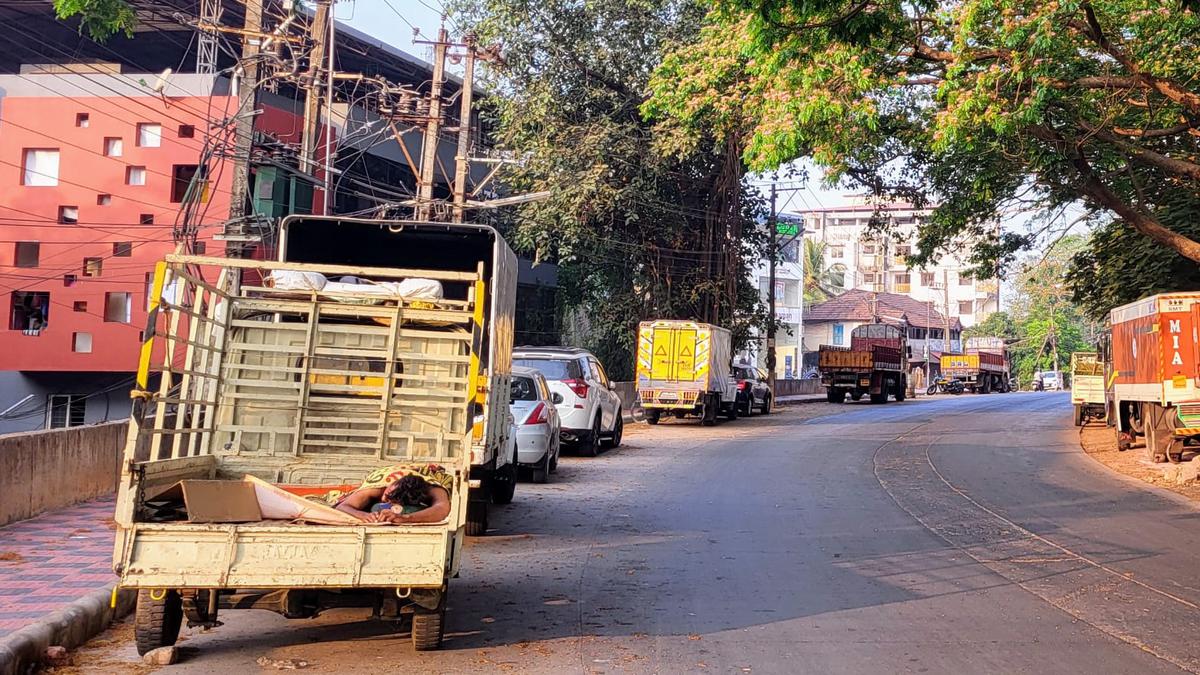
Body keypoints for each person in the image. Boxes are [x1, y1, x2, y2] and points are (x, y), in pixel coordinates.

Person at [329, 464, 453, 525]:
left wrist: (406, 518)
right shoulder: (377, 488)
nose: (386, 503)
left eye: (392, 502)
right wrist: (364, 515)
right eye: (387, 498)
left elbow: (442, 509)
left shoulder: (433, 489)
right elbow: (343, 506)